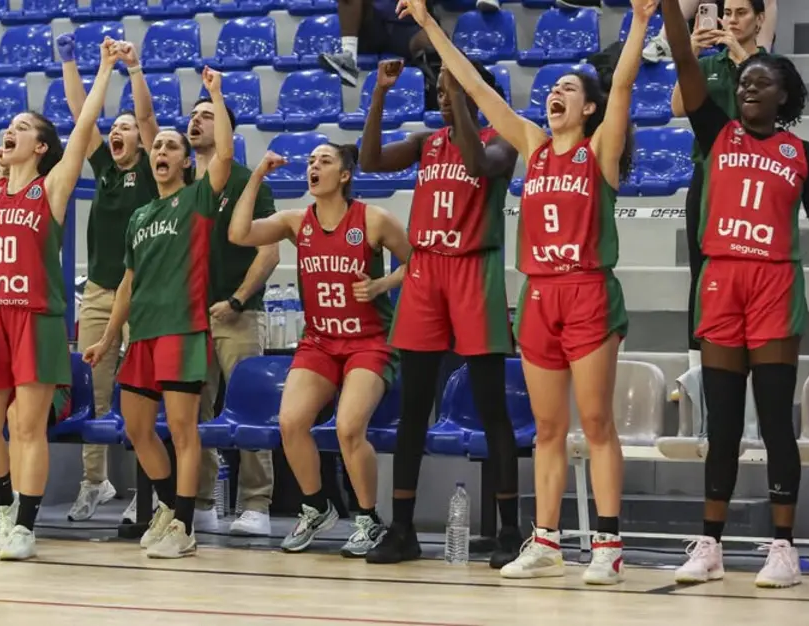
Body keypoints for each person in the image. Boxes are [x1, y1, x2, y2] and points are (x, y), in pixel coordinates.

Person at [398, 0, 646, 584]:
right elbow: (478, 94)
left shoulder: (598, 152)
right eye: (550, 87)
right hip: (538, 294)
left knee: (596, 421)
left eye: (567, 89)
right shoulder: (533, 145)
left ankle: (608, 545)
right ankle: (547, 542)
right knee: (549, 428)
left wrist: (639, 22)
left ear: (588, 107)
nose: (554, 94)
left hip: (586, 291)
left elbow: (626, 83)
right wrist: (433, 25)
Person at [659, 0, 809, 589]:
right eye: (743, 82)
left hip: (774, 284)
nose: (747, 89)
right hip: (720, 282)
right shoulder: (716, 133)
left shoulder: (804, 157)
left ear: (784, 97)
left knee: (774, 423)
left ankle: (783, 549)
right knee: (722, 425)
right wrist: (669, 8)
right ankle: (710, 544)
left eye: (760, 82)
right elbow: (687, 62)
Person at [0, 36, 111, 561]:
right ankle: (2, 507)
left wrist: (104, 65)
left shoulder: (52, 188)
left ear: (41, 146)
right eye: (9, 126)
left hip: (36, 317)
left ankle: (25, 525)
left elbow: (85, 129)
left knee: (26, 425)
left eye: (22, 127)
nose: (10, 131)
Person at [358, 60, 523, 567]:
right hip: (427, 271)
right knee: (414, 408)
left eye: (450, 88)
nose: (442, 96)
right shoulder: (428, 142)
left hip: (475, 269)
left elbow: (477, 164)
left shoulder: (503, 139)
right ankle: (402, 528)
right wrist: (380, 96)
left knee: (493, 406)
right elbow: (369, 160)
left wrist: (461, 89)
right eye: (438, 89)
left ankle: (510, 531)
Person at [83, 66, 234, 560]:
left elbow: (227, 155)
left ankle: (185, 527)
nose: (163, 152)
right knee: (136, 428)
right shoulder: (140, 216)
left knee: (184, 431)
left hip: (183, 330)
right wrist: (108, 339)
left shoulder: (196, 200)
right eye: (159, 148)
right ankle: (170, 507)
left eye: (173, 147)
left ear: (188, 164)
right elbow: (127, 282)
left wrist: (215, 94)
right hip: (142, 334)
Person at [229, 144, 409, 556]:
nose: (313, 166)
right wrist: (258, 175)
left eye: (324, 161)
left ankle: (368, 518)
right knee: (290, 422)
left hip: (368, 340)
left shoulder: (373, 219)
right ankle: (316, 506)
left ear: (344, 175)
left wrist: (382, 285)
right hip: (320, 342)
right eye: (310, 160)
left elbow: (418, 261)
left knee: (348, 428)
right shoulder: (297, 222)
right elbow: (238, 234)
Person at [57, 33, 158, 522]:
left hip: (144, 296)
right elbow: (82, 113)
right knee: (92, 392)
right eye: (113, 128)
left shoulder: (156, 171)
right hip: (98, 293)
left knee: (143, 393)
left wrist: (132, 71)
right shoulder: (105, 169)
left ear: (140, 139)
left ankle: (147, 487)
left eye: (125, 127)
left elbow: (144, 116)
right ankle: (93, 481)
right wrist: (73, 61)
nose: (116, 132)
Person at [184, 97, 280, 537]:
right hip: (188, 317)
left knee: (250, 411)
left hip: (237, 315)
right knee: (193, 411)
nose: (196, 121)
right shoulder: (181, 182)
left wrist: (238, 299)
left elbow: (269, 251)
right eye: (194, 115)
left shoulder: (246, 181)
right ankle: (202, 499)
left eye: (208, 116)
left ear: (227, 131)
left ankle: (256, 503)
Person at [670, 0, 771, 371]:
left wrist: (741, 54)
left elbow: (781, 108)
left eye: (741, 13)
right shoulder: (708, 63)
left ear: (760, 19)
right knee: (702, 269)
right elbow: (677, 108)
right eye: (727, 12)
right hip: (708, 176)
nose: (731, 19)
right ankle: (696, 363)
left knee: (754, 268)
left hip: (756, 177)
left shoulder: (771, 68)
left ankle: (755, 354)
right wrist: (692, 51)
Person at [319, 0, 437, 89]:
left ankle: (434, 92)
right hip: (372, 24)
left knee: (432, 39)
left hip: (408, 26)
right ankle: (349, 57)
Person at [645, 0, 778, 62]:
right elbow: (678, 109)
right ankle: (662, 42)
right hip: (710, 14)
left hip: (747, 13)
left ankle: (761, 56)